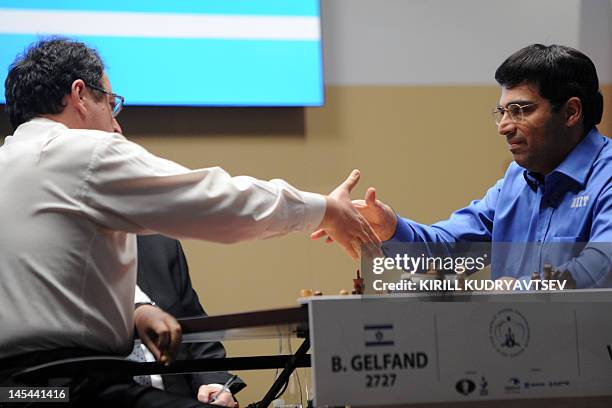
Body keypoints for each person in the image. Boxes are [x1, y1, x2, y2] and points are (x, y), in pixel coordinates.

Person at [0, 37, 380, 403]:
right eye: (111, 104)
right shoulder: (82, 153)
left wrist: (136, 309)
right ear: (80, 95)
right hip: (76, 386)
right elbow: (218, 201)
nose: (117, 126)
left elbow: (50, 275)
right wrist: (325, 210)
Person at [315, 44, 611, 287]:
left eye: (520, 110)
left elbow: (601, 267)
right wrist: (391, 227)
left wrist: (521, 289)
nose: (504, 127)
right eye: (502, 112)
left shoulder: (606, 175)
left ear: (571, 111)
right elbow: (448, 253)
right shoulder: (517, 181)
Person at [104, 235, 244, 408]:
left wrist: (215, 387)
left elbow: (198, 339)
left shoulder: (160, 244)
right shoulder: (67, 245)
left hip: (177, 397)